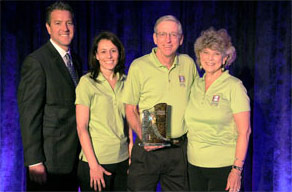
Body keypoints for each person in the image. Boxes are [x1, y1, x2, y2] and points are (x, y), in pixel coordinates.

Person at [123, 15, 198, 191]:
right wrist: (144, 136)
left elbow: (197, 102)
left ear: (181, 39)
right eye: (163, 34)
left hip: (178, 150)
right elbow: (130, 109)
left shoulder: (188, 64)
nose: (168, 40)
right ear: (155, 38)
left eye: (173, 34)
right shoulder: (139, 66)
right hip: (147, 149)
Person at [17, 1, 81, 191]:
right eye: (58, 23)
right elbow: (30, 116)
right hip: (49, 164)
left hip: (72, 159)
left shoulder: (75, 60)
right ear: (48, 28)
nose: (65, 28)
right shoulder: (37, 62)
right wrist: (34, 161)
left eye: (69, 23)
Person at [185, 27, 251, 192]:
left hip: (224, 166)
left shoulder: (234, 86)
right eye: (206, 53)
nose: (210, 58)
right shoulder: (195, 85)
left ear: (225, 58)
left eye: (216, 53)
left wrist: (237, 170)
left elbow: (245, 131)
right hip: (194, 165)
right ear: (199, 56)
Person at [75, 31, 132, 192]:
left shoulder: (126, 81)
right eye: (103, 51)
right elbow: (81, 127)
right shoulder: (87, 83)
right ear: (96, 56)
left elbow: (127, 119)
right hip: (96, 162)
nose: (109, 56)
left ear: (119, 53)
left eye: (113, 50)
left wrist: (131, 150)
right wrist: (94, 166)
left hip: (122, 160)